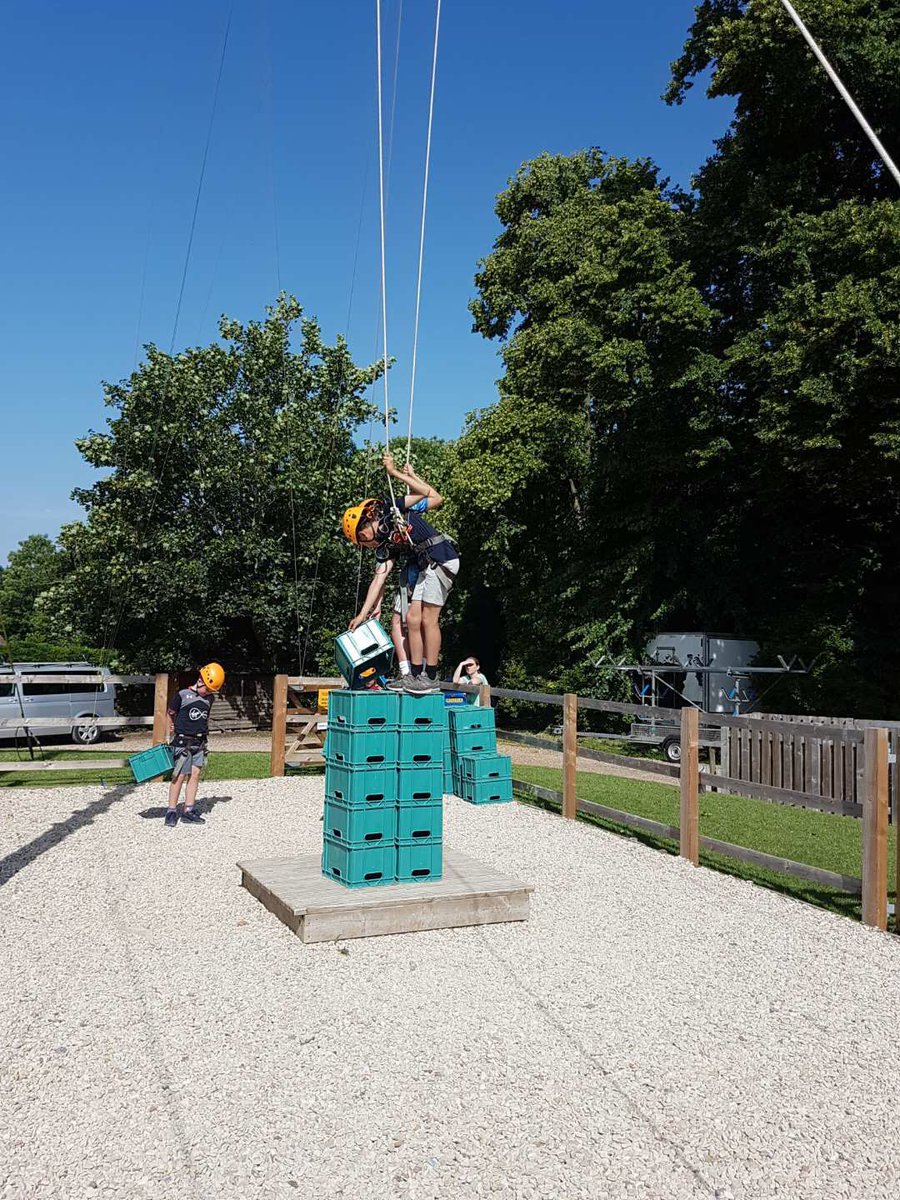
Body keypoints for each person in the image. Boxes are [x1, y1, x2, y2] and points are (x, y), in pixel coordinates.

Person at [343, 454, 459, 694]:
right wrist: (362, 614)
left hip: (441, 558)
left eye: (363, 539)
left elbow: (428, 493)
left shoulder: (390, 508)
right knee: (413, 619)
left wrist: (397, 473)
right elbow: (379, 579)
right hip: (428, 565)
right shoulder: (387, 544)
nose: (366, 545)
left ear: (367, 523)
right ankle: (415, 675)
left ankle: (431, 676)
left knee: (428, 619)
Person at [164, 662, 225, 826]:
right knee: (179, 776)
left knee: (195, 775)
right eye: (208, 689)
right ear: (200, 681)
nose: (209, 693)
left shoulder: (209, 699)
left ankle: (188, 810)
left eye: (211, 691)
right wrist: (169, 729)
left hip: (199, 742)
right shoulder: (183, 695)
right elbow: (170, 712)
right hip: (183, 742)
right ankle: (171, 811)